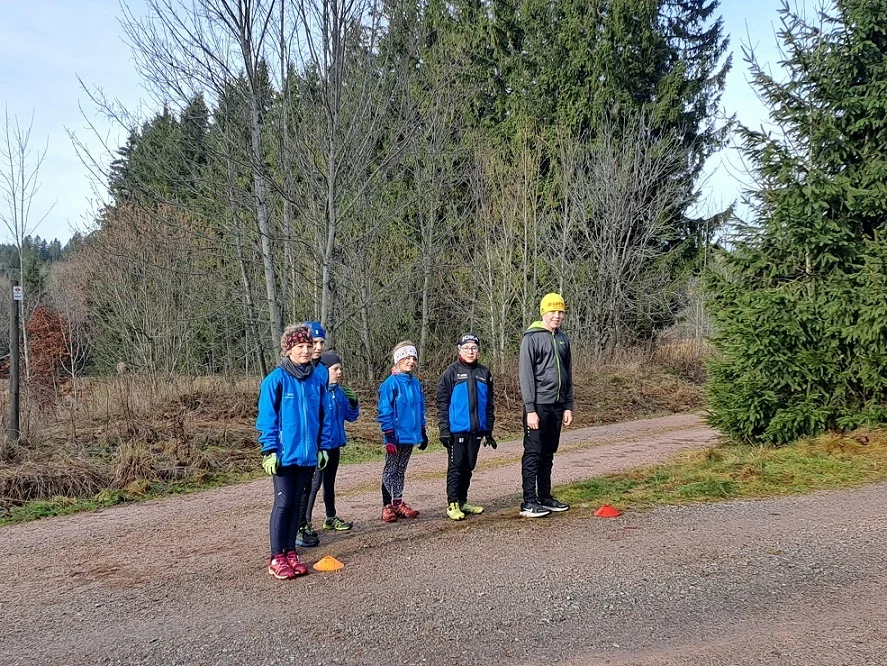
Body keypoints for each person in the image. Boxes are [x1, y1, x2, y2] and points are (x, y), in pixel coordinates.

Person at [256, 324, 328, 579]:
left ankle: (291, 553)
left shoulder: (317, 379)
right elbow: (267, 418)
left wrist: (323, 446)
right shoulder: (275, 380)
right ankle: (277, 556)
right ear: (288, 350)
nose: (307, 351)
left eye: (309, 346)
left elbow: (324, 416)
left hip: (308, 455)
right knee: (284, 503)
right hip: (284, 455)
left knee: (297, 503)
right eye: (300, 347)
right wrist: (270, 449)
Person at [518, 293, 574, 518]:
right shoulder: (531, 338)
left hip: (557, 405)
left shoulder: (563, 339)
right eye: (553, 311)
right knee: (533, 452)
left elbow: (568, 373)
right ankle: (528, 501)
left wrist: (568, 405)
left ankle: (545, 496)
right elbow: (526, 376)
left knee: (549, 452)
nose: (557, 316)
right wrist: (530, 409)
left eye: (560, 312)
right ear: (543, 312)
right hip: (538, 405)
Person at [436, 333, 497, 521]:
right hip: (457, 430)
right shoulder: (451, 373)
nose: (470, 351)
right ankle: (452, 503)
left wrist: (488, 430)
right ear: (459, 350)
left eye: (474, 348)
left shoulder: (484, 373)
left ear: (478, 351)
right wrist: (444, 430)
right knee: (456, 467)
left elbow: (489, 404)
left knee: (469, 466)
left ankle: (462, 501)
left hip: (476, 430)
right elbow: (442, 402)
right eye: (466, 348)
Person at [304, 350, 360, 532]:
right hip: (321, 447)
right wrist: (319, 446)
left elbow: (351, 417)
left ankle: (330, 517)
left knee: (330, 484)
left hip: (335, 445)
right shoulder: (318, 392)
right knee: (314, 484)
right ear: (324, 370)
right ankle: (305, 522)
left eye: (340, 369)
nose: (339, 372)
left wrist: (353, 403)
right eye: (335, 369)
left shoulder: (340, 392)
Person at [376, 341, 428, 522]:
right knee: (390, 469)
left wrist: (422, 431)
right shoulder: (390, 384)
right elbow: (384, 411)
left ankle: (398, 502)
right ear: (398, 359)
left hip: (410, 435)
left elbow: (421, 409)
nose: (411, 361)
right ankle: (387, 506)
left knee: (400, 470)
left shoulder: (416, 384)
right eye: (407, 357)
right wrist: (389, 435)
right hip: (395, 436)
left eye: (413, 358)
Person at [295, 320, 328, 548]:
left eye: (320, 342)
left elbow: (323, 408)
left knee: (311, 484)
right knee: (296, 487)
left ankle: (303, 523)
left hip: (317, 436)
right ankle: (296, 527)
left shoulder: (322, 371)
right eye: (312, 342)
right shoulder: (296, 368)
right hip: (296, 438)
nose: (316, 347)